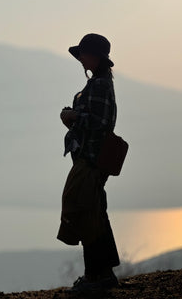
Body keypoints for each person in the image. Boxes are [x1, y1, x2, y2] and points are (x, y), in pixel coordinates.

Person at [57, 33, 120, 292]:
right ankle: (100, 275)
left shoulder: (100, 85)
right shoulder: (99, 83)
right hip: (90, 159)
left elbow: (100, 123)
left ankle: (97, 277)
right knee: (93, 213)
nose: (80, 59)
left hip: (91, 160)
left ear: (93, 57)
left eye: (83, 54)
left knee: (85, 214)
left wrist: (72, 117)